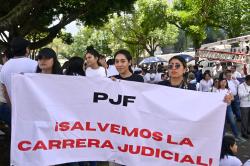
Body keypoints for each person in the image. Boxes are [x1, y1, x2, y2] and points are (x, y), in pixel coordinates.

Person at [0, 37, 37, 104]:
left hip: (12, 106)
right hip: (31, 106)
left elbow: (4, 91)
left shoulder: (5, 67)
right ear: (27, 49)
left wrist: (11, 106)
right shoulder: (35, 64)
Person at [238, 75, 250, 139]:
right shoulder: (241, 86)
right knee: (244, 120)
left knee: (249, 119)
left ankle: (248, 130)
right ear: (246, 80)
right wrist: (248, 93)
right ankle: (244, 133)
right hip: (244, 105)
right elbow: (240, 95)